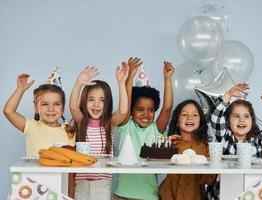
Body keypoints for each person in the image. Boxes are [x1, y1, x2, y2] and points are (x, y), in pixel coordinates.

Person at [205, 83, 262, 199]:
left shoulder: (257, 142)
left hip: (250, 192)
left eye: (246, 116)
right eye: (236, 116)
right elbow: (216, 117)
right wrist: (229, 94)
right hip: (222, 193)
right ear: (227, 121)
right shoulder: (224, 139)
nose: (241, 120)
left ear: (252, 120)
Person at [114, 57, 175, 200]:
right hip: (122, 195)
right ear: (132, 110)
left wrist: (167, 79)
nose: (146, 114)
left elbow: (167, 109)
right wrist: (130, 77)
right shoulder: (125, 126)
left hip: (149, 196)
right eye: (140, 109)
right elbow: (125, 106)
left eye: (151, 110)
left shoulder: (156, 129)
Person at [69, 64, 129, 200]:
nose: (96, 104)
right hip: (81, 182)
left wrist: (121, 83)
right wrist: (78, 84)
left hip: (103, 183)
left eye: (102, 100)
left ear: (107, 103)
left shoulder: (110, 123)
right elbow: (73, 107)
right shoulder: (81, 121)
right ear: (84, 101)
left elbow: (123, 111)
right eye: (91, 99)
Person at [3, 73, 75, 156]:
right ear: (36, 107)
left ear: (63, 107)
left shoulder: (70, 131)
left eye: (56, 104)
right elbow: (8, 111)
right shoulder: (31, 127)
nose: (51, 109)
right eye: (45, 104)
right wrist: (20, 89)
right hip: (34, 169)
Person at [159, 99, 216, 200]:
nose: (190, 118)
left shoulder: (206, 146)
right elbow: (157, 168)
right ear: (177, 122)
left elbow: (209, 179)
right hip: (168, 195)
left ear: (200, 121)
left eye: (195, 115)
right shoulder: (171, 143)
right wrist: (165, 145)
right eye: (184, 114)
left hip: (195, 195)